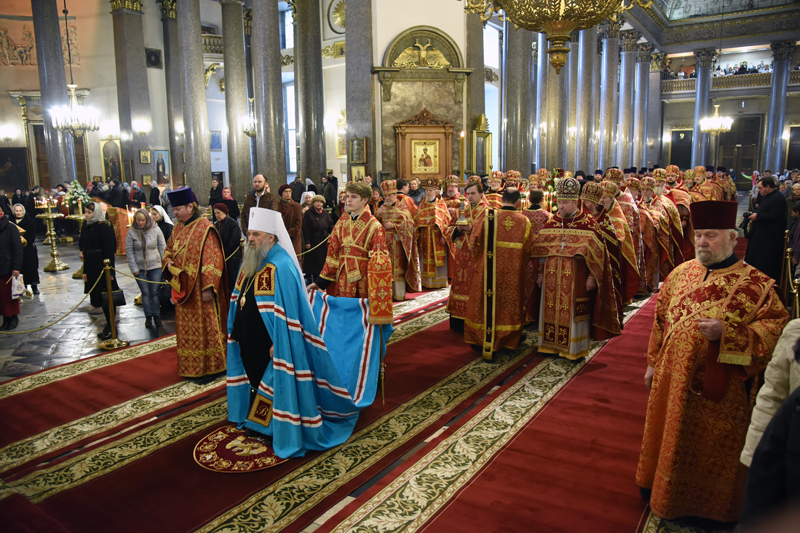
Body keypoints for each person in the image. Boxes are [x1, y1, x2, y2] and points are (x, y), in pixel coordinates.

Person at [636, 200, 789, 526]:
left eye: (711, 236)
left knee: (708, 448)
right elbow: (660, 323)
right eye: (699, 235)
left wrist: (727, 334)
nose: (702, 242)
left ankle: (707, 510)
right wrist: (651, 363)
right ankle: (659, 491)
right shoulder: (680, 274)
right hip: (670, 381)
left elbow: (773, 335)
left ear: (733, 238)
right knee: (668, 438)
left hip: (719, 394)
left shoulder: (758, 286)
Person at [227, 208, 389, 458]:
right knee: (254, 374)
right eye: (249, 233)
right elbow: (240, 296)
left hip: (272, 341)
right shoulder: (251, 259)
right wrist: (235, 328)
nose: (250, 239)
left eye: (256, 234)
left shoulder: (282, 265)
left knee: (272, 379)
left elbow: (290, 314)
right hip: (249, 336)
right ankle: (255, 416)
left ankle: (272, 425)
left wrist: (279, 342)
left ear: (271, 237)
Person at [531, 176, 620, 360]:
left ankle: (573, 350)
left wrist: (592, 277)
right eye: (559, 202)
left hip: (576, 279)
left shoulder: (588, 223)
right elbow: (541, 251)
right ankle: (549, 346)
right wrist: (540, 273)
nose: (560, 206)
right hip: (550, 280)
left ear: (574, 202)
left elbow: (598, 256)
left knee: (572, 315)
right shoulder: (553, 221)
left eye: (564, 203)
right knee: (549, 311)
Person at [162, 187, 228, 381]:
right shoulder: (177, 228)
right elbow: (168, 250)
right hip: (182, 288)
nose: (174, 213)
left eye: (178, 209)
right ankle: (190, 367)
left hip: (200, 291)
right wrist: (168, 262)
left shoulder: (205, 227)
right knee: (186, 330)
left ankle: (212, 367)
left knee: (206, 328)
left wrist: (209, 287)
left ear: (190, 207)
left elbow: (212, 258)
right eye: (173, 209)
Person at [464, 188, 535, 360]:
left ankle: (480, 338)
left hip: (487, 271)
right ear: (518, 201)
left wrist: (480, 260)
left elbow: (474, 242)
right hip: (512, 273)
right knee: (508, 304)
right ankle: (507, 339)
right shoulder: (524, 221)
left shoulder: (488, 216)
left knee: (484, 302)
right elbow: (529, 249)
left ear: (502, 199)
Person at [307, 182, 389, 304]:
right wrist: (320, 282)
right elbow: (332, 255)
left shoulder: (375, 227)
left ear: (365, 200)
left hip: (364, 282)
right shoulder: (341, 224)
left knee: (361, 318)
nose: (348, 200)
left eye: (354, 197)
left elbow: (380, 263)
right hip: (343, 280)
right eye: (347, 196)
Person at [79, 202, 120, 340]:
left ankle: (111, 325)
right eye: (85, 212)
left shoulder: (104, 227)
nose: (87, 215)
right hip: (91, 265)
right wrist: (84, 271)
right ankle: (108, 324)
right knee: (97, 296)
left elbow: (109, 250)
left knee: (107, 296)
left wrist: (111, 272)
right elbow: (85, 249)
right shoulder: (87, 225)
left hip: (103, 266)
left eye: (89, 213)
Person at [375, 180, 421, 301]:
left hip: (398, 245)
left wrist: (394, 226)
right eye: (385, 195)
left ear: (395, 195)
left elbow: (410, 226)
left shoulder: (403, 209)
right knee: (386, 269)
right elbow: (375, 225)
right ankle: (387, 294)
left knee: (398, 269)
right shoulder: (382, 208)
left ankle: (399, 294)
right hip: (384, 246)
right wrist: (378, 215)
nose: (387, 198)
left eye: (390, 195)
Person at [125, 209, 166, 329]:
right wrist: (134, 268)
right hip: (140, 267)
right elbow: (129, 251)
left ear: (147, 219)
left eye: (143, 220)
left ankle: (156, 315)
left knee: (154, 292)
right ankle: (148, 317)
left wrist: (163, 263)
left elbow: (162, 246)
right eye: (138, 221)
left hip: (155, 266)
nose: (141, 223)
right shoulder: (132, 232)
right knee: (146, 293)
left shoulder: (156, 229)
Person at [745, 176, 787, 281]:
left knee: (764, 263)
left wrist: (757, 216)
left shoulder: (777, 198)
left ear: (768, 186)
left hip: (769, 238)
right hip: (761, 235)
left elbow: (775, 215)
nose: (758, 191)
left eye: (760, 188)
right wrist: (754, 214)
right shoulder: (768, 196)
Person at [414, 177, 451, 289]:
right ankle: (426, 282)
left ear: (436, 192)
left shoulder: (441, 204)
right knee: (424, 259)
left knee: (438, 261)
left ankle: (438, 282)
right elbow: (416, 219)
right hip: (425, 237)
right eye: (427, 190)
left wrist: (444, 236)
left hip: (437, 237)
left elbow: (447, 221)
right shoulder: (422, 204)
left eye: (431, 190)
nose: (428, 192)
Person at [213, 202, 242, 298]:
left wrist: (223, 252)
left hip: (232, 257)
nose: (217, 215)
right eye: (215, 213)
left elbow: (234, 242)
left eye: (219, 213)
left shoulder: (233, 224)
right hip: (220, 256)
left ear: (225, 212)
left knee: (231, 279)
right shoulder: (216, 225)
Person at [301, 194, 333, 280]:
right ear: (313, 203)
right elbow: (305, 229)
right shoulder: (308, 213)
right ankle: (314, 279)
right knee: (314, 262)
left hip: (323, 241)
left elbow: (330, 225)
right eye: (317, 202)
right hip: (313, 240)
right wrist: (307, 242)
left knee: (322, 261)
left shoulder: (325, 213)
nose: (319, 204)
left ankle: (322, 277)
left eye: (321, 202)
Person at [0, 210, 22, 331]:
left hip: (8, 266)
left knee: (10, 295)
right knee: (1, 297)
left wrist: (16, 267)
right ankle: (5, 318)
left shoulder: (11, 228)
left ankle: (13, 317)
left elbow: (17, 249)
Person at [12, 204, 39, 295]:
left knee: (31, 268)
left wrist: (24, 240)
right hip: (16, 249)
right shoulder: (11, 222)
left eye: (20, 211)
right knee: (21, 268)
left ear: (23, 211)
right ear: (14, 211)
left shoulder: (30, 221)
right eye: (17, 211)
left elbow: (32, 235)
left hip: (28, 249)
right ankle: (23, 287)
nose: (18, 213)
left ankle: (34, 287)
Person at [277, 184, 303, 259]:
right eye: (285, 191)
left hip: (293, 237)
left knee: (294, 259)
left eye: (289, 191)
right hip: (280, 237)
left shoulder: (296, 206)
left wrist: (288, 234)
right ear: (281, 193)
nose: (288, 193)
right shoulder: (276, 205)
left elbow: (298, 222)